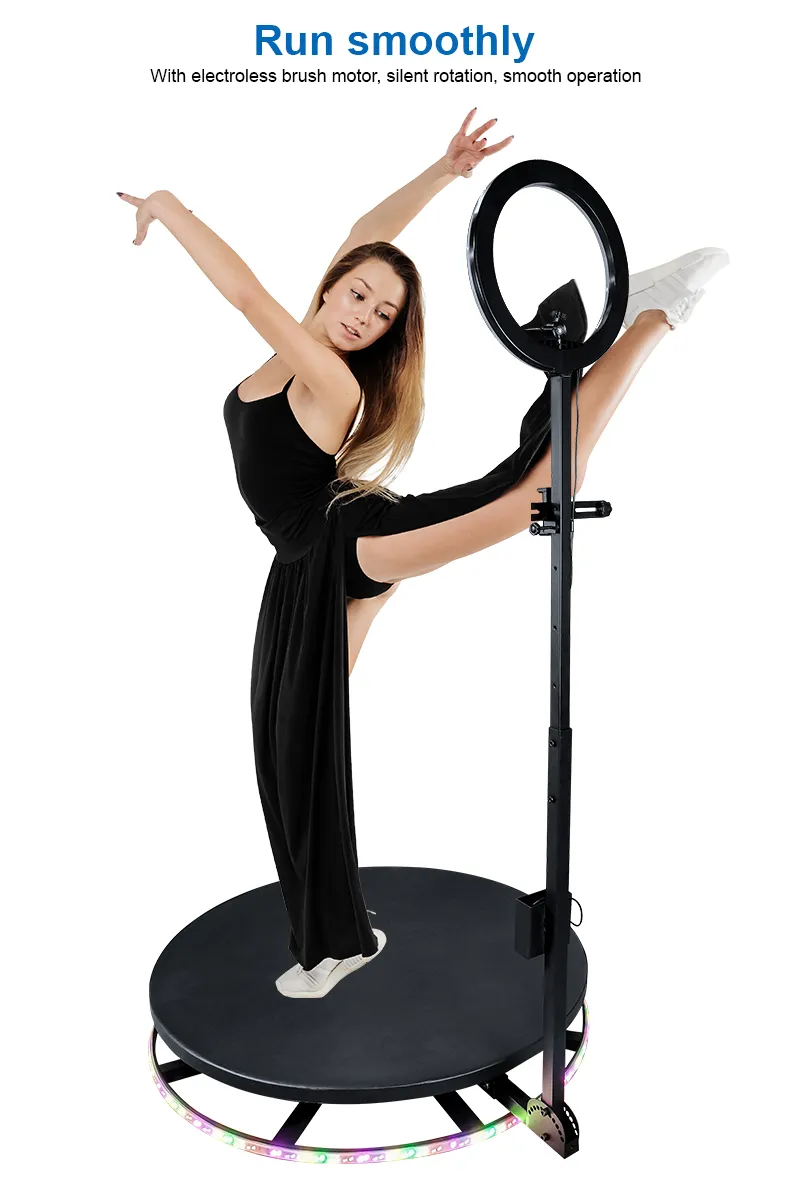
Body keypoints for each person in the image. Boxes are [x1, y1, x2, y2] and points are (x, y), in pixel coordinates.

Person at [119, 109, 728, 999]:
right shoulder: (310, 335)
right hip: (299, 571)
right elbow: (367, 233)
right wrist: (444, 172)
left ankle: (657, 313)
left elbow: (247, 295)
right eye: (358, 295)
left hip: (348, 541)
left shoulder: (327, 375)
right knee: (291, 751)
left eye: (384, 313)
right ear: (332, 287)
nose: (365, 316)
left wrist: (169, 205)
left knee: (535, 495)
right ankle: (338, 935)